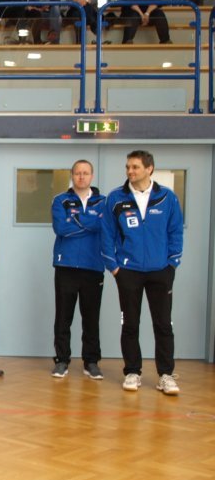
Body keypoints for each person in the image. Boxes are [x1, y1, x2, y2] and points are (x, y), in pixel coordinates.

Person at [101, 150, 183, 396]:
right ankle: (132, 372)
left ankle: (166, 375)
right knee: (130, 324)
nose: (130, 171)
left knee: (163, 324)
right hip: (128, 271)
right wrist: (115, 267)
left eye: (135, 167)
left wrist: (172, 263)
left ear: (149, 169)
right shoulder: (116, 198)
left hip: (161, 272)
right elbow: (107, 234)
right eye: (128, 167)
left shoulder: (167, 198)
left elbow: (175, 232)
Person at [51, 160, 106, 380]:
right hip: (66, 265)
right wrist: (90, 222)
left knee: (91, 318)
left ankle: (91, 362)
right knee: (63, 317)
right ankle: (62, 360)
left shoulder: (103, 202)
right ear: (72, 175)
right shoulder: (60, 200)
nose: (81, 177)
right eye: (77, 173)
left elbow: (103, 226)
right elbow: (61, 228)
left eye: (85, 173)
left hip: (93, 266)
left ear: (92, 176)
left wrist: (75, 219)